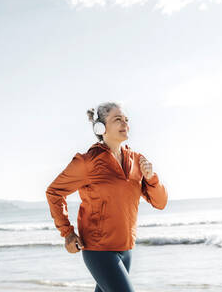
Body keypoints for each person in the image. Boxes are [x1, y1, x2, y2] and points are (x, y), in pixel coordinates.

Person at [46, 101, 168, 292]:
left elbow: (160, 203)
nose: (125, 124)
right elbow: (54, 192)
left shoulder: (137, 160)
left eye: (126, 120)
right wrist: (67, 232)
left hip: (127, 249)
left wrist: (151, 178)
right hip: (98, 250)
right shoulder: (88, 162)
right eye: (117, 119)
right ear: (100, 127)